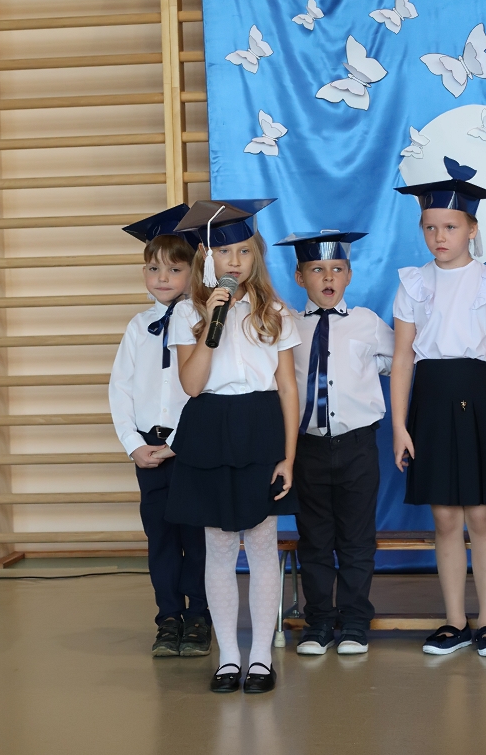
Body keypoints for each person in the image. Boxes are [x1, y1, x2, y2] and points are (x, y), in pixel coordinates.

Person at [165, 199, 301, 694]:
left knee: (262, 544)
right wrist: (211, 324)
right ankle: (228, 657)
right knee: (219, 547)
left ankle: (260, 657)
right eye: (225, 252)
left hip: (260, 425)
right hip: (209, 426)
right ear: (208, 257)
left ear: (255, 255)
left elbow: (288, 387)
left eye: (244, 251)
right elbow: (192, 385)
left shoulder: (275, 312)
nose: (235, 261)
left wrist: (288, 456)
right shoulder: (188, 312)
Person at [275, 230, 394, 655]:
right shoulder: (287, 325)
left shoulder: (367, 322)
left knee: (357, 539)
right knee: (315, 539)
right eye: (317, 269)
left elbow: (398, 361)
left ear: (349, 275)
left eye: (337, 269)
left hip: (357, 446)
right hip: (306, 448)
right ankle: (320, 622)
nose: (328, 277)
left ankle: (356, 622)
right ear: (299, 276)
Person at [392, 156, 486, 656]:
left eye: (450, 227)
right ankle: (455, 620)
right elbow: (403, 359)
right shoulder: (413, 283)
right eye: (430, 227)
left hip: (480, 395)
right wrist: (399, 426)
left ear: (472, 229)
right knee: (446, 518)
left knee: (482, 516)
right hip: (431, 401)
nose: (439, 236)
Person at [109, 205, 211, 658]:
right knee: (162, 540)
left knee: (198, 539)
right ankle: (168, 617)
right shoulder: (138, 327)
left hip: (191, 450)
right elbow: (120, 389)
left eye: (174, 268)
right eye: (153, 268)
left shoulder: (205, 320)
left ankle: (200, 617)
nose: (163, 277)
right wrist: (134, 445)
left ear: (194, 270)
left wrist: (178, 443)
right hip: (149, 452)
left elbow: (208, 390)